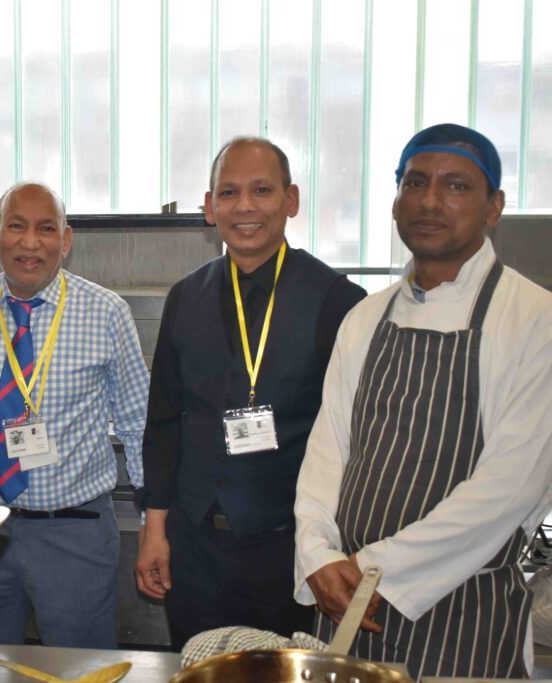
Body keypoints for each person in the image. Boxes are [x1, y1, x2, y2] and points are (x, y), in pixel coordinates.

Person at [294, 123, 552, 679]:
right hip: (345, 605)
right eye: (415, 182)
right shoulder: (365, 317)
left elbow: (511, 486)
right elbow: (327, 452)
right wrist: (318, 554)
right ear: (394, 202)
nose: (430, 200)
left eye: (456, 186)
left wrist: (374, 571)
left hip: (464, 611)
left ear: (494, 207)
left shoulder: (535, 320)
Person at [136, 137, 366, 649]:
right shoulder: (185, 297)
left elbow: (355, 440)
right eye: (229, 192)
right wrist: (155, 528)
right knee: (199, 667)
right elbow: (165, 422)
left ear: (292, 200)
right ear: (208, 207)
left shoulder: (339, 302)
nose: (244, 206)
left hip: (287, 550)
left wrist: (336, 547)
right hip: (193, 545)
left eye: (261, 190)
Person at [0, 181, 149, 648]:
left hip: (76, 534)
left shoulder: (107, 313)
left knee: (79, 673)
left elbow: (136, 421)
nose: (30, 243)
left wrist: (154, 523)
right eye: (17, 227)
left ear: (65, 240)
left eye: (46, 229)